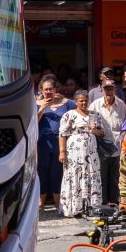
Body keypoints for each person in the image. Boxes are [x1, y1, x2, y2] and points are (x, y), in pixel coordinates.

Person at [58, 90, 105, 217]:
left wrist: (94, 130)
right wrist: (62, 152)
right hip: (74, 152)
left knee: (92, 175)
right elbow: (62, 134)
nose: (84, 103)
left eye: (85, 100)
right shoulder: (69, 115)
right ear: (76, 101)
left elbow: (102, 134)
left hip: (91, 152)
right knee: (74, 175)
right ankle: (75, 207)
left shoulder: (95, 115)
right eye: (81, 100)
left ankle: (91, 207)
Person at [36, 74, 74, 211]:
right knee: (42, 171)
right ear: (40, 90)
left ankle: (59, 204)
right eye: (45, 89)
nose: (48, 92)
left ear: (55, 89)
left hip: (59, 142)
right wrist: (41, 108)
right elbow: (32, 122)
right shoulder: (36, 103)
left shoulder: (66, 103)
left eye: (50, 89)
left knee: (57, 172)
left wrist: (62, 99)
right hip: (42, 143)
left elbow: (80, 108)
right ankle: (41, 204)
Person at [88, 79, 126, 205]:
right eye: (106, 89)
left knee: (115, 177)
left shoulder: (122, 105)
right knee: (102, 176)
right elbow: (90, 124)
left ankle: (114, 202)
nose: (109, 91)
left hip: (117, 147)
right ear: (101, 89)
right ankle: (103, 203)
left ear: (115, 89)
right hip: (101, 147)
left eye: (111, 88)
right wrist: (93, 128)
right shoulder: (95, 105)